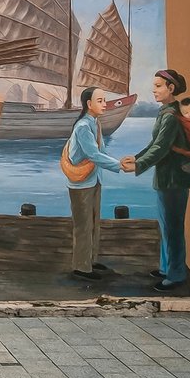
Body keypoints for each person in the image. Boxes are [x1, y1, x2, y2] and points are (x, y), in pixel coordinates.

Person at [120, 68, 190, 291]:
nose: (153, 90)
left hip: (174, 179)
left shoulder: (172, 116)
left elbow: (161, 148)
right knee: (166, 225)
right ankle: (166, 267)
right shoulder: (166, 112)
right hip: (167, 177)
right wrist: (137, 157)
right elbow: (155, 145)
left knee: (173, 228)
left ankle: (176, 274)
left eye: (158, 86)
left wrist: (139, 165)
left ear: (171, 88)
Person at [64, 87, 125, 282]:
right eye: (100, 101)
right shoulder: (83, 126)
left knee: (94, 222)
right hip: (81, 183)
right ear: (89, 104)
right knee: (83, 225)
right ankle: (81, 267)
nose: (104, 104)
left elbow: (102, 153)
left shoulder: (95, 123)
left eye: (105, 100)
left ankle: (91, 259)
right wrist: (119, 166)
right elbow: (93, 155)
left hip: (93, 179)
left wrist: (120, 163)